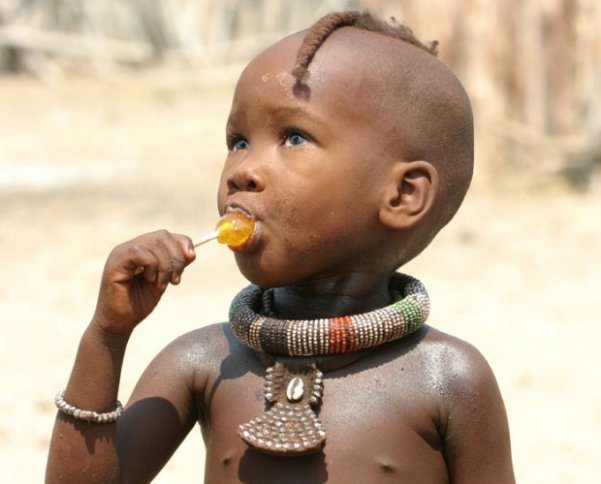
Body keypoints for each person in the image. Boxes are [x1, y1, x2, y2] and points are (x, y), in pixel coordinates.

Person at [46, 10, 514, 483]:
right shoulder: (206, 362)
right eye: (239, 140)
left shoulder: (448, 379)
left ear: (403, 196)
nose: (242, 170)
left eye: (294, 137)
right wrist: (107, 337)